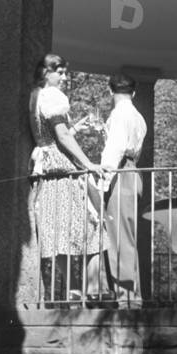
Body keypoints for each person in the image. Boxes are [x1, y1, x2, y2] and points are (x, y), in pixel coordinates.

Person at [28, 54, 105, 303]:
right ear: (45, 72)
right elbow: (61, 136)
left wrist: (75, 128)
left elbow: (54, 134)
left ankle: (75, 290)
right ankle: (93, 290)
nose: (63, 77)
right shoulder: (53, 96)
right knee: (93, 227)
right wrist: (88, 163)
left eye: (64, 72)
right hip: (64, 170)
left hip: (48, 169)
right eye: (58, 71)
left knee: (58, 232)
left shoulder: (35, 95)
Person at [100, 73, 147, 306]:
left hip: (120, 172)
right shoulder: (137, 116)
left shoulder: (120, 115)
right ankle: (130, 295)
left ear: (110, 92)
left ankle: (127, 297)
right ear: (134, 92)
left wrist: (102, 179)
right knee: (126, 234)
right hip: (132, 172)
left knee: (119, 236)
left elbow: (114, 150)